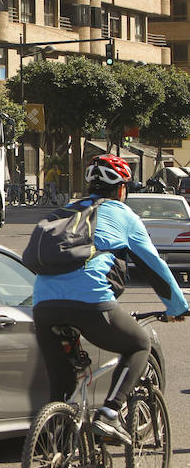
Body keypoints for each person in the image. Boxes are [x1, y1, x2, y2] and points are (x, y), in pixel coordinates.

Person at [31, 154, 188, 445]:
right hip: (91, 302)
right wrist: (178, 306)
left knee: (62, 387)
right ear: (121, 189)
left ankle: (59, 452)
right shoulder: (123, 215)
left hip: (43, 306)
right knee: (141, 343)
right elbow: (153, 265)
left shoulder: (62, 213)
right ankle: (109, 414)